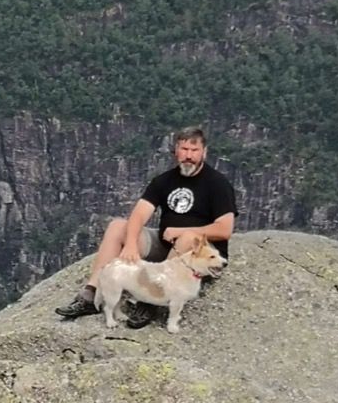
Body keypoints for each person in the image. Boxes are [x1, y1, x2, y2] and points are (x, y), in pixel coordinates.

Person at [55, 126, 237, 328]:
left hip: (199, 255)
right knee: (117, 227)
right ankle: (91, 293)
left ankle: (150, 302)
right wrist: (131, 244)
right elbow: (139, 214)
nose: (188, 156)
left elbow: (224, 229)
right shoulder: (164, 180)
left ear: (204, 152)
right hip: (165, 244)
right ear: (176, 151)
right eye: (184, 149)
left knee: (188, 238)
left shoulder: (217, 184)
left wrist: (182, 232)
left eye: (194, 151)